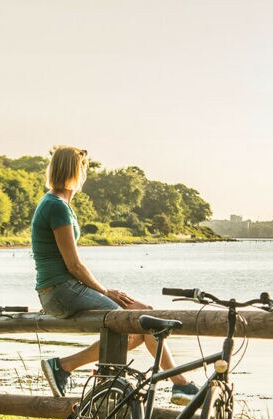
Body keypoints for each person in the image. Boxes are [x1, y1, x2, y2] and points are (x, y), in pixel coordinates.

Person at [32, 146, 198, 404]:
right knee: (134, 326)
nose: (85, 174)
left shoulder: (59, 204)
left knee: (145, 314)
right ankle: (179, 383)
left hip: (62, 289)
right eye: (83, 168)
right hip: (61, 290)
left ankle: (174, 383)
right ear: (76, 171)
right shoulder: (57, 207)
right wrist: (105, 291)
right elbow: (74, 265)